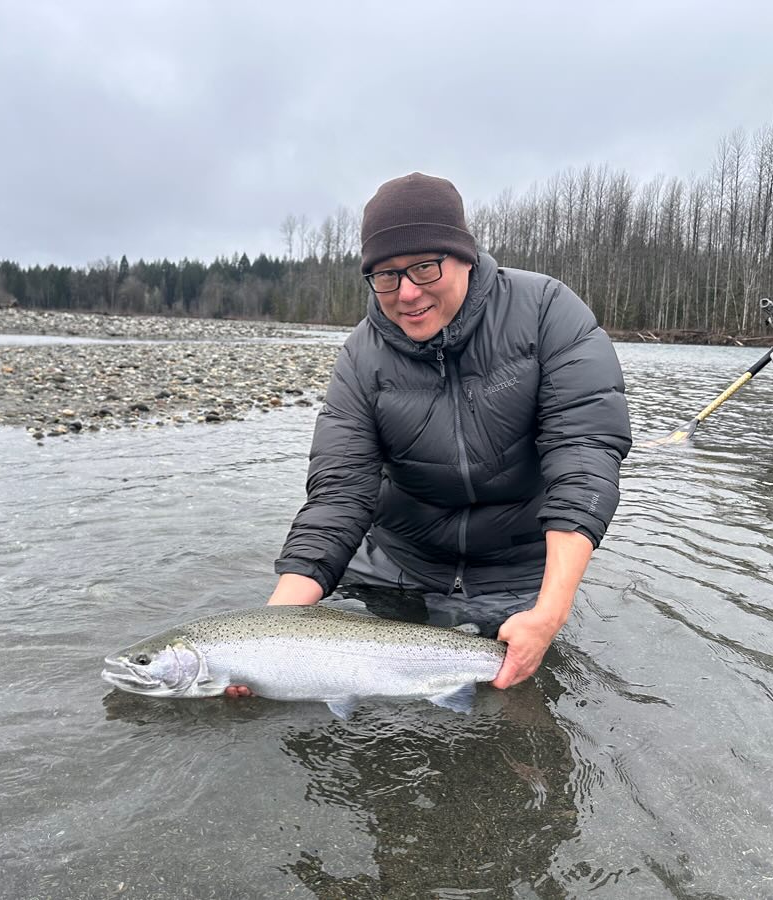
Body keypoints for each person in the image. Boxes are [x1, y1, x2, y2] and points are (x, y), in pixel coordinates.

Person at [233, 172, 631, 696]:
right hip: (398, 561)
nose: (407, 293)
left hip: (512, 568)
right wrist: (266, 636)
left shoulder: (547, 311)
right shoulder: (359, 357)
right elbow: (339, 495)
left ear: (464, 255)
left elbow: (582, 459)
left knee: (522, 713)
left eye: (424, 267)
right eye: (386, 276)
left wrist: (550, 611)